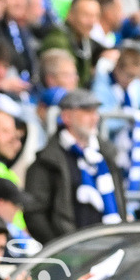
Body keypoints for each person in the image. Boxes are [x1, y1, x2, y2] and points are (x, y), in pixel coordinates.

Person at [24, 88, 127, 244]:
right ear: (66, 117)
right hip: (70, 256)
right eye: (87, 112)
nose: (94, 118)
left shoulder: (106, 156)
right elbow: (35, 213)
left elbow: (119, 202)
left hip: (110, 247)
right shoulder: (48, 161)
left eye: (95, 112)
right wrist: (61, 249)